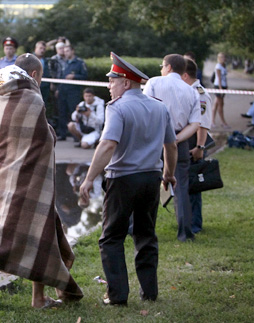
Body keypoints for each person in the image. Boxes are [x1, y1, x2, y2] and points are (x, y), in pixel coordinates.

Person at [0, 54, 83, 308]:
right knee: (26, 230)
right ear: (34, 75)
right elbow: (45, 138)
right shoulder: (31, 97)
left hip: (2, 174)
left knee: (27, 229)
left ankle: (36, 297)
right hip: (29, 178)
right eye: (41, 77)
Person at [79, 52, 177, 306]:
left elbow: (107, 145)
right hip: (151, 179)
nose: (109, 86)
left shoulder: (118, 107)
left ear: (125, 82)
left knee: (111, 237)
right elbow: (171, 146)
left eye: (112, 81)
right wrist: (168, 174)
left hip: (122, 180)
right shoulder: (159, 107)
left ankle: (118, 295)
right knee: (146, 235)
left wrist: (89, 179)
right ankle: (150, 292)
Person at [143, 54, 200, 242]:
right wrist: (175, 139)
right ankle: (185, 232)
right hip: (180, 141)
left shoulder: (154, 82)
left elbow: (145, 109)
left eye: (162, 66)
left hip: (154, 139)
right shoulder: (192, 91)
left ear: (167, 67)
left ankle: (141, 228)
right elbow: (195, 123)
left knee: (147, 184)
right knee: (182, 187)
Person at [182, 58, 212, 234]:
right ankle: (187, 219)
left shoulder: (200, 94)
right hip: (188, 143)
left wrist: (200, 148)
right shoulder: (187, 91)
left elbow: (203, 123)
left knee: (193, 186)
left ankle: (195, 224)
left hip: (195, 145)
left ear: (185, 75)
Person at [57, 45, 88, 140]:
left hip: (73, 92)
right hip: (63, 91)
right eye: (64, 51)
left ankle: (76, 135)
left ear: (72, 51)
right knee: (61, 113)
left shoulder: (79, 63)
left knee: (74, 113)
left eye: (67, 51)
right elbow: (60, 77)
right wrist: (58, 89)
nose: (65, 53)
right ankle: (62, 134)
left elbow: (85, 76)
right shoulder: (63, 63)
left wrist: (74, 76)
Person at [212, 52, 230, 129]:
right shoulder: (218, 66)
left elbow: (224, 77)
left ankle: (212, 121)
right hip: (219, 86)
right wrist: (220, 88)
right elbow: (218, 78)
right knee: (220, 104)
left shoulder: (224, 66)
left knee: (216, 104)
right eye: (222, 57)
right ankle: (223, 122)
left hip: (224, 85)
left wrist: (226, 85)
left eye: (224, 57)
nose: (223, 58)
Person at [33, 41, 51, 105]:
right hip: (32, 87)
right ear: (36, 49)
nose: (42, 50)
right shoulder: (29, 59)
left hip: (44, 87)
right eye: (40, 48)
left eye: (44, 49)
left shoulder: (46, 61)